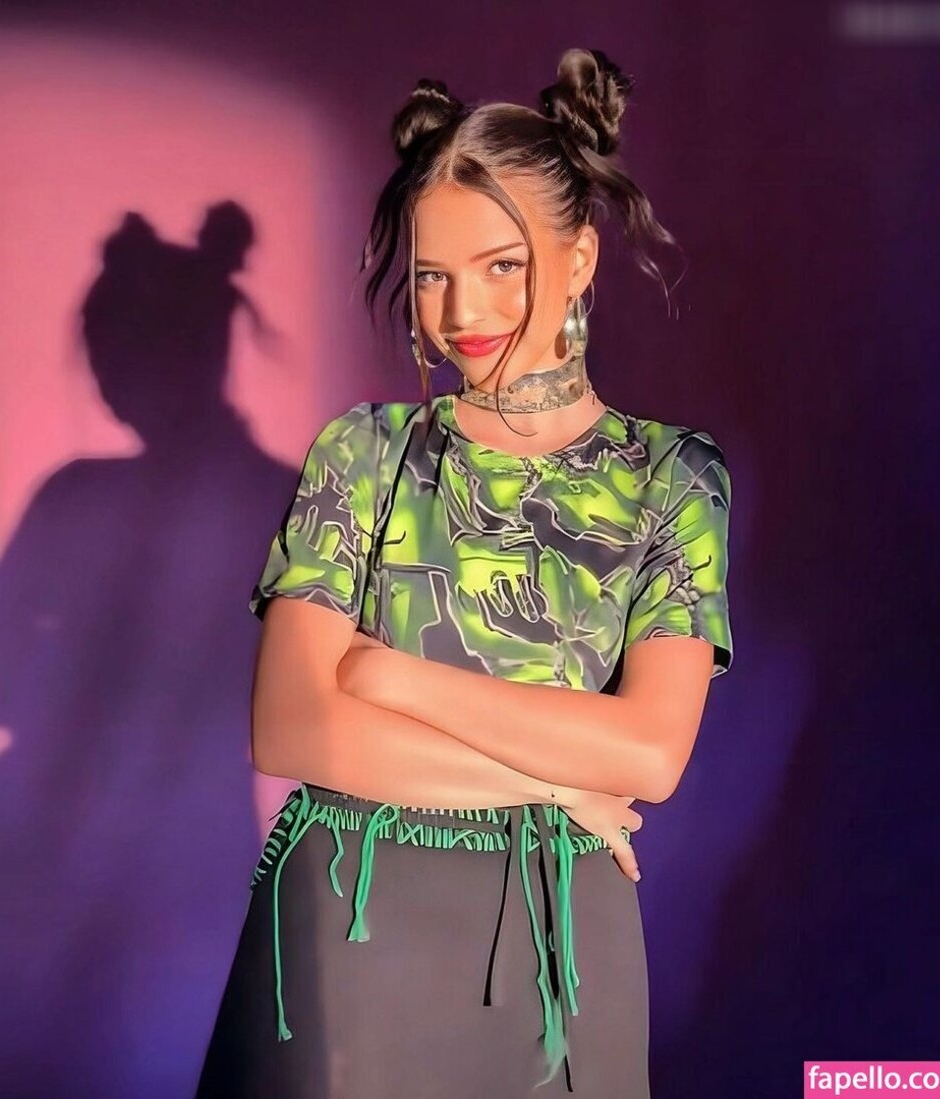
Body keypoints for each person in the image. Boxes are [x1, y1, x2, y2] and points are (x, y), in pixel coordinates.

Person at [195, 47, 733, 1099]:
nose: (459, 313)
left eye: (501, 266)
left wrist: (388, 676)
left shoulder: (672, 476)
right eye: (433, 274)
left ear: (580, 258)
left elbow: (646, 753)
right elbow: (292, 727)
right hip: (349, 928)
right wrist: (559, 780)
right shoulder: (365, 453)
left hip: (564, 938)